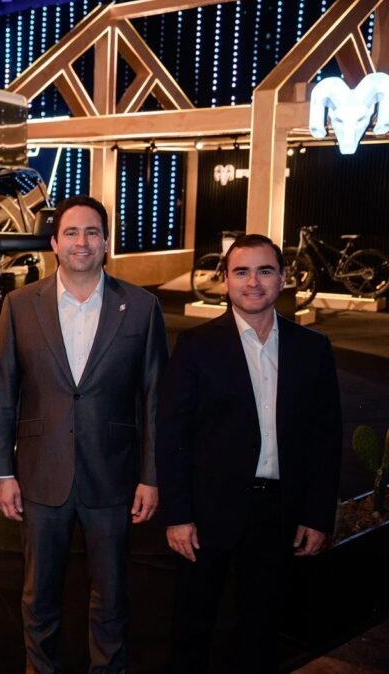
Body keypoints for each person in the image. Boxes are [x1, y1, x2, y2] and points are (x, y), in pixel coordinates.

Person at [0, 194, 168, 672]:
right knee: (38, 596)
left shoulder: (142, 307)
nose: (81, 241)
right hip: (40, 474)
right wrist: (2, 473)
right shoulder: (20, 305)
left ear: (106, 242)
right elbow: (2, 393)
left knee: (112, 596)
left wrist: (150, 476)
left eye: (91, 232)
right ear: (54, 243)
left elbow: (154, 399)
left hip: (113, 475)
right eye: (71, 232)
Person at [157, 233, 341, 672]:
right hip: (206, 514)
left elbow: (325, 438)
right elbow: (172, 435)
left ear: (284, 278)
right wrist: (178, 515)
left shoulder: (312, 349)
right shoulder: (196, 346)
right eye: (241, 272)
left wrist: (317, 515)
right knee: (192, 628)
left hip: (278, 513)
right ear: (225, 280)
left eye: (264, 271)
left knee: (261, 631)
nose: (253, 282)